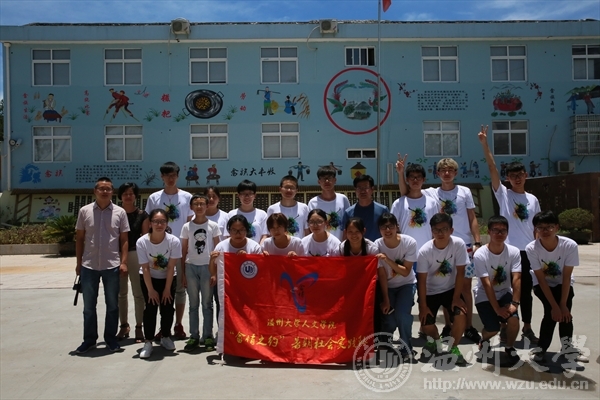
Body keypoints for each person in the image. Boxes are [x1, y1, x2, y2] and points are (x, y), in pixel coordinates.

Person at [398, 156, 481, 344]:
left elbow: (472, 217)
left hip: (464, 244)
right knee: (445, 284)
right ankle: (449, 326)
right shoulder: (432, 193)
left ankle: (468, 326)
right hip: (441, 245)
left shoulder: (465, 191)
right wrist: (401, 173)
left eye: (450, 170)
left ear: (456, 173)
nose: (447, 173)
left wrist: (477, 241)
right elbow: (407, 192)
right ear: (437, 174)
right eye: (443, 170)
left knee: (465, 287)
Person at [478, 125, 541, 344]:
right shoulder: (503, 194)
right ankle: (504, 323)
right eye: (512, 176)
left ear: (526, 175)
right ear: (508, 178)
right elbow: (492, 168)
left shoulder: (533, 199)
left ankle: (527, 327)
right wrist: (485, 144)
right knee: (503, 288)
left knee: (525, 292)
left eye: (520, 175)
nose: (517, 178)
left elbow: (536, 228)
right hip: (508, 252)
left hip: (528, 253)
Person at [74, 177, 129, 353]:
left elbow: (124, 239)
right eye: (101, 188)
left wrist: (124, 262)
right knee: (89, 307)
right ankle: (89, 340)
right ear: (95, 191)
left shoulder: (120, 212)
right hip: (89, 265)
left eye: (108, 189)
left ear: (112, 192)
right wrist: (78, 263)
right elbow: (80, 238)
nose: (105, 191)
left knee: (112, 305)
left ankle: (110, 339)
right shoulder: (84, 211)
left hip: (112, 265)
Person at [527, 211, 589, 364]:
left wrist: (562, 305)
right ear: (535, 229)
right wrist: (555, 306)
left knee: (565, 313)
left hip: (563, 283)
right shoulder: (531, 248)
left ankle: (567, 349)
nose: (545, 231)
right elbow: (541, 279)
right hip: (542, 284)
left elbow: (566, 277)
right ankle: (541, 348)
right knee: (551, 312)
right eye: (540, 227)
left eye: (549, 227)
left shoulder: (569, 245)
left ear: (557, 227)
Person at [145, 161, 194, 340]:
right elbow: (149, 223)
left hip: (179, 249)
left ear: (178, 176)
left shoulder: (187, 197)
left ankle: (178, 324)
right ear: (162, 177)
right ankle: (162, 327)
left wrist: (187, 249)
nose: (170, 178)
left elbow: (190, 224)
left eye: (173, 175)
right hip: (158, 251)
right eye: (167, 175)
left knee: (179, 289)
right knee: (159, 289)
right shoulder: (154, 198)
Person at [417, 213, 469, 366]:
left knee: (461, 315)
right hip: (430, 291)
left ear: (451, 230)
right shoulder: (425, 251)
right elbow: (422, 281)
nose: (440, 233)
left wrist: (456, 297)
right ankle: (435, 341)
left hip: (451, 289)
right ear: (431, 231)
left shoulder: (458, 244)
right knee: (426, 322)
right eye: (436, 230)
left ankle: (453, 348)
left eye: (444, 229)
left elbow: (460, 272)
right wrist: (423, 306)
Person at [473, 216, 521, 367]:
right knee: (493, 328)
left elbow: (517, 278)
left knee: (514, 319)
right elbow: (486, 284)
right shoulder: (480, 254)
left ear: (507, 233)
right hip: (484, 294)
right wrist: (497, 309)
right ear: (489, 232)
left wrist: (515, 303)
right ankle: (484, 339)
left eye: (503, 231)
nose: (499, 234)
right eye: (495, 230)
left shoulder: (513, 251)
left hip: (505, 292)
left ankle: (510, 347)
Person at [137, 209, 182, 359]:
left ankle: (165, 336)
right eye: (156, 221)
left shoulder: (173, 241)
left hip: (168, 278)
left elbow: (171, 267)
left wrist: (167, 289)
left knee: (167, 308)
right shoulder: (142, 242)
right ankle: (148, 341)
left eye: (162, 221)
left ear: (167, 223)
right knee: (150, 309)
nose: (159, 224)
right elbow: (145, 268)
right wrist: (150, 290)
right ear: (150, 223)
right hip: (148, 278)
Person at [375, 213, 419, 361]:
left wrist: (388, 260)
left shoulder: (409, 242)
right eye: (383, 227)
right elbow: (381, 274)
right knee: (389, 318)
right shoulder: (377, 245)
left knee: (402, 315)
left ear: (397, 227)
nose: (387, 230)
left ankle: (406, 347)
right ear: (379, 229)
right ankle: (385, 342)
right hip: (387, 286)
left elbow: (406, 272)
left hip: (406, 284)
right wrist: (385, 299)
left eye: (390, 226)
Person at [180, 195, 221, 352]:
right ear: (191, 207)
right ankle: (194, 336)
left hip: (207, 267)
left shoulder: (213, 226)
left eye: (202, 204)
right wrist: (183, 273)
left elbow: (217, 249)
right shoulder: (186, 227)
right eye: (196, 204)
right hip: (190, 267)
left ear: (207, 206)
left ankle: (208, 335)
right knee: (193, 304)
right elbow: (184, 250)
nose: (199, 207)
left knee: (207, 304)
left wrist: (214, 272)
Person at [116, 182, 149, 342]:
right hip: (116, 255)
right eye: (125, 193)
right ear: (120, 196)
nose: (128, 196)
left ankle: (139, 326)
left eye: (131, 193)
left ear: (136, 195)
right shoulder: (115, 213)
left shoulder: (142, 215)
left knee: (138, 292)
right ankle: (124, 325)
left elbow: (145, 238)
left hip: (136, 254)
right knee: (121, 293)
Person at [203, 186, 228, 328]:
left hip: (221, 265)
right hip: (202, 264)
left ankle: (221, 331)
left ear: (219, 198)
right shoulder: (197, 216)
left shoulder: (226, 216)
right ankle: (207, 332)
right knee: (206, 301)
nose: (211, 199)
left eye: (214, 196)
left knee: (220, 300)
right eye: (208, 196)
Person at [307, 165, 350, 241]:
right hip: (321, 244)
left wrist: (344, 243)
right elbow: (311, 226)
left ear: (335, 180)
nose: (326, 181)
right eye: (323, 178)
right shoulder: (313, 202)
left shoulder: (343, 199)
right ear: (319, 181)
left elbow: (348, 223)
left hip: (341, 244)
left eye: (329, 178)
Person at [342, 175, 389, 242]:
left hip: (377, 247)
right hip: (356, 248)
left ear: (372, 189)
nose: (362, 191)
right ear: (355, 190)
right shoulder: (348, 213)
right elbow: (345, 235)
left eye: (366, 187)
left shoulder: (383, 210)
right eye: (359, 188)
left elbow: (388, 231)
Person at [225, 179, 268, 244]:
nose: (247, 197)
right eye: (243, 193)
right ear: (238, 195)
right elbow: (228, 236)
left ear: (255, 195)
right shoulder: (231, 214)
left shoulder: (262, 214)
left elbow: (264, 236)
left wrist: (258, 248)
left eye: (250, 193)